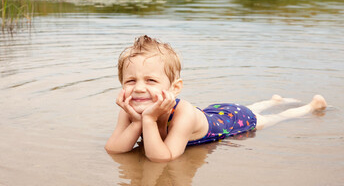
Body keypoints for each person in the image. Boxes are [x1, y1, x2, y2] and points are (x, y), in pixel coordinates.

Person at [105, 35, 327, 162]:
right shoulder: (130, 110)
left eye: (151, 81)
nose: (139, 89)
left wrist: (149, 120)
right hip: (214, 111)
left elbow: (163, 157)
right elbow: (114, 149)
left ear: (175, 87)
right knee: (256, 108)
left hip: (234, 119)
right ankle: (273, 101)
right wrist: (136, 121)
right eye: (131, 81)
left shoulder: (183, 113)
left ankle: (308, 107)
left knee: (270, 120)